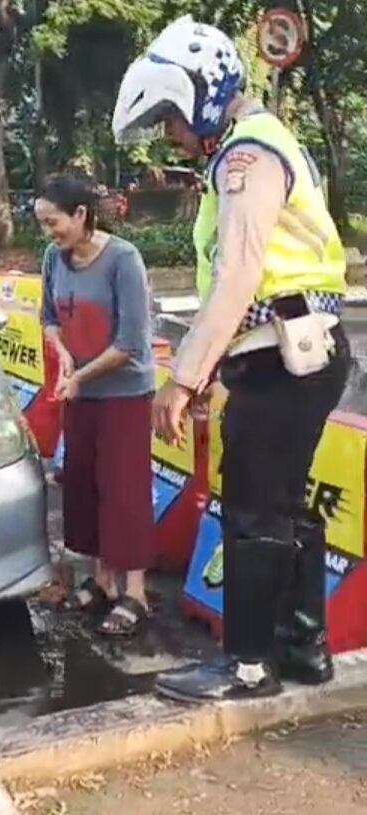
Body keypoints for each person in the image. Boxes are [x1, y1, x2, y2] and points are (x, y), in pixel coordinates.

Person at [112, 16, 349, 702]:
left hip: (285, 357)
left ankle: (246, 665)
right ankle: (303, 647)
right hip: (292, 352)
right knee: (281, 504)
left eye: (171, 118)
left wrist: (181, 381)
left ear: (203, 94)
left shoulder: (247, 157)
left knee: (251, 509)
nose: (171, 135)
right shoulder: (260, 145)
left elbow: (239, 278)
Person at [36, 175, 156, 637]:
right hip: (79, 392)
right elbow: (49, 317)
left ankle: (136, 593)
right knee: (83, 484)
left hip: (123, 393)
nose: (50, 232)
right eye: (44, 224)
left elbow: (129, 344)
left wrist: (79, 377)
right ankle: (102, 580)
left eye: (55, 222)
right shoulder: (53, 258)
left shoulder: (123, 260)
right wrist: (64, 356)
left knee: (124, 488)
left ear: (81, 215)